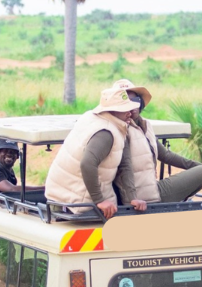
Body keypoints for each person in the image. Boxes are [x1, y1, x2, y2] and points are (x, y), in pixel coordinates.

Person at [45, 87, 148, 219]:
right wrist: (99, 200)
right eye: (124, 109)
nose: (130, 113)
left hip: (61, 196)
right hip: (76, 203)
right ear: (111, 111)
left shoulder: (96, 119)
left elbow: (124, 165)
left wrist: (132, 198)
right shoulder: (106, 133)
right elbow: (87, 164)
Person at [110, 79, 202, 206]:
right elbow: (124, 169)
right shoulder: (120, 129)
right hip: (145, 197)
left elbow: (165, 155)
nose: (131, 105)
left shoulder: (143, 125)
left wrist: (196, 166)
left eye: (135, 100)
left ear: (140, 102)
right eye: (125, 101)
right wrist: (132, 199)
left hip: (150, 189)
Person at [0, 139, 46, 203]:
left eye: (13, 152)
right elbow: (11, 189)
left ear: (17, 156)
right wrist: (42, 189)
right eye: (5, 150)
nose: (9, 154)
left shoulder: (9, 171)